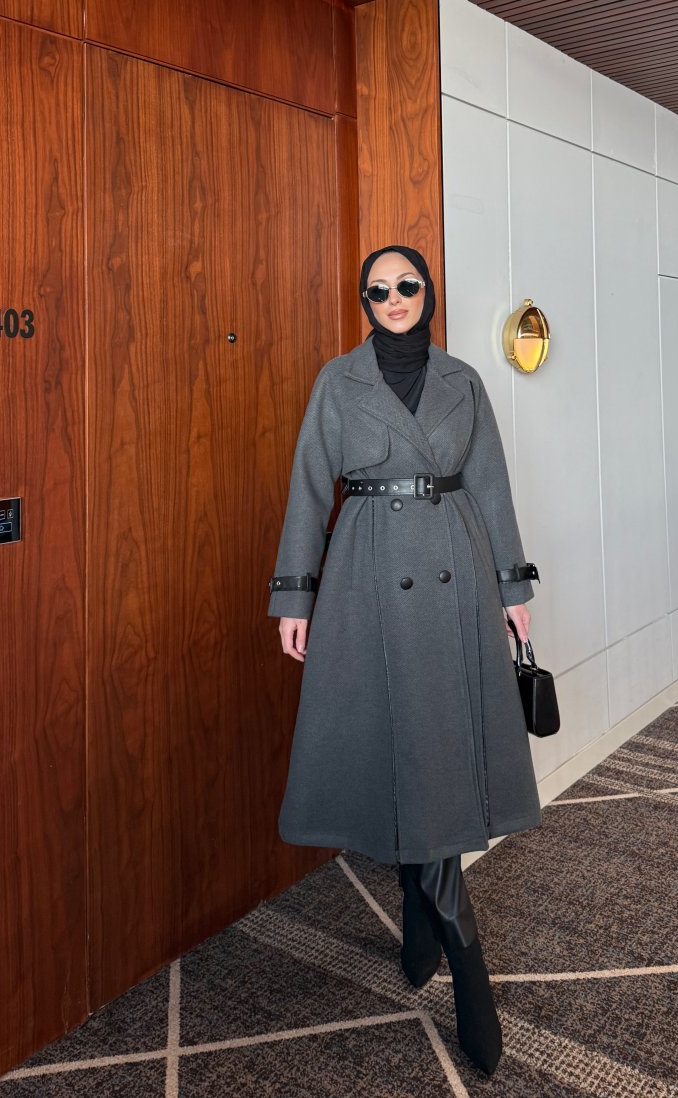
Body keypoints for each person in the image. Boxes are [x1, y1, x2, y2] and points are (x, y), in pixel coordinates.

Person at [268, 245, 541, 1076]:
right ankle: (448, 937)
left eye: (407, 285)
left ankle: (438, 930)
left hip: (454, 564)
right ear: (364, 300)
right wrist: (294, 596)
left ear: (428, 293)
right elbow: (309, 487)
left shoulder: (463, 381)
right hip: (367, 570)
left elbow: (491, 485)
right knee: (403, 740)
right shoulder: (337, 381)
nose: (393, 297)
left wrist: (512, 588)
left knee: (437, 745)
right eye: (378, 289)